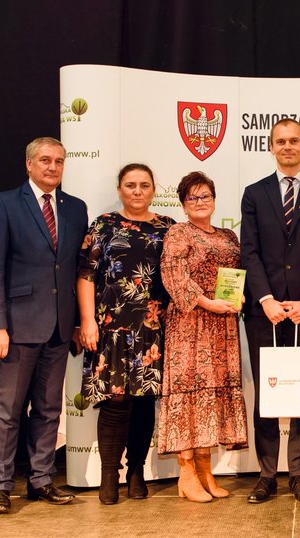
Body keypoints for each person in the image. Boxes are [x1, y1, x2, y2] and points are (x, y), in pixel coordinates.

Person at [0, 136, 88, 514]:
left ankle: (40, 480)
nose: (52, 167)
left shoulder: (75, 208)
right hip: (15, 328)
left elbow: (76, 269)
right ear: (29, 164)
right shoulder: (5, 203)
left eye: (59, 161)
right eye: (45, 160)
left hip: (59, 328)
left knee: (48, 409)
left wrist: (78, 323)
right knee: (7, 411)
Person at [240, 118, 300, 504]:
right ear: (271, 147)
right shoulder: (254, 194)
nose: (287, 147)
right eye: (280, 141)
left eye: (294, 140)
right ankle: (266, 475)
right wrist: (265, 299)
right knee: (267, 393)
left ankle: (299, 474)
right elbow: (249, 251)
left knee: (299, 391)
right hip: (262, 312)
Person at [77, 163, 175, 505]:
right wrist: (87, 321)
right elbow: (86, 275)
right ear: (120, 189)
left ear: (153, 190)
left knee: (145, 401)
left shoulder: (168, 228)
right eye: (131, 185)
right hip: (110, 328)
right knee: (115, 402)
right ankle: (109, 475)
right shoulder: (103, 225)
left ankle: (136, 472)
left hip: (153, 329)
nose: (137, 191)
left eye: (144, 185)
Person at [158, 171, 248, 503]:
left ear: (214, 199)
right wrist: (208, 303)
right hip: (190, 324)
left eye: (205, 195)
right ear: (183, 204)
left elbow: (237, 275)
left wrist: (240, 296)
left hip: (223, 327)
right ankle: (186, 474)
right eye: (192, 197)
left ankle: (205, 470)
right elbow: (173, 276)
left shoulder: (228, 235)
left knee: (212, 396)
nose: (200, 202)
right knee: (189, 396)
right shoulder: (178, 233)